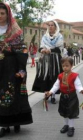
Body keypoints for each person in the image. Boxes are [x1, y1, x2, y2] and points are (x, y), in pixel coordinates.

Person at [0, 2, 33, 137]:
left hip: (11, 66)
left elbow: (22, 50)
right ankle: (5, 124)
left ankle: (16, 121)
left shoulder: (15, 31)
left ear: (8, 15)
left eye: (2, 13)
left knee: (12, 93)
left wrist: (21, 69)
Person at [45, 57, 83, 137]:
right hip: (63, 97)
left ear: (71, 66)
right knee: (64, 112)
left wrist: (82, 91)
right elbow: (56, 85)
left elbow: (78, 86)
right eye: (63, 66)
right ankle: (66, 125)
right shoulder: (60, 76)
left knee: (71, 113)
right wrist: (50, 92)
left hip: (72, 97)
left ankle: (71, 127)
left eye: (67, 65)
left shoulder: (75, 76)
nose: (65, 67)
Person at [32, 20, 64, 104]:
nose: (50, 27)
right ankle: (46, 93)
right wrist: (42, 49)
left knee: (54, 77)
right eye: (49, 25)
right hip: (45, 60)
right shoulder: (45, 37)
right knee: (45, 76)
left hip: (55, 60)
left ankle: (53, 95)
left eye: (52, 25)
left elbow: (59, 49)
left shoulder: (59, 36)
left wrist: (50, 50)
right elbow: (40, 47)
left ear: (56, 27)